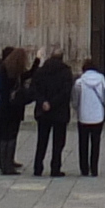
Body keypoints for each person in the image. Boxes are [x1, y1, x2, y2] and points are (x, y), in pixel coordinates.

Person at [32, 47, 72, 175]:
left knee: (41, 140)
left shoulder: (40, 71)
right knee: (58, 142)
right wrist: (52, 103)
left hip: (43, 111)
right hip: (59, 111)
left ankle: (38, 168)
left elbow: (34, 89)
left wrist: (43, 102)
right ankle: (55, 168)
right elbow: (66, 92)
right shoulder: (65, 71)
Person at [0, 48, 29, 179]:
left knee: (4, 136)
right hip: (12, 108)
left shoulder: (3, 70)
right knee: (10, 136)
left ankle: (3, 162)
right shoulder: (12, 75)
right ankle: (7, 165)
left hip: (3, 107)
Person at [73, 57, 105, 175]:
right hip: (97, 116)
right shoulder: (101, 79)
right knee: (96, 143)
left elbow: (75, 99)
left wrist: (76, 108)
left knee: (83, 143)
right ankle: (94, 169)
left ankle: (84, 169)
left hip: (83, 115)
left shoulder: (79, 82)